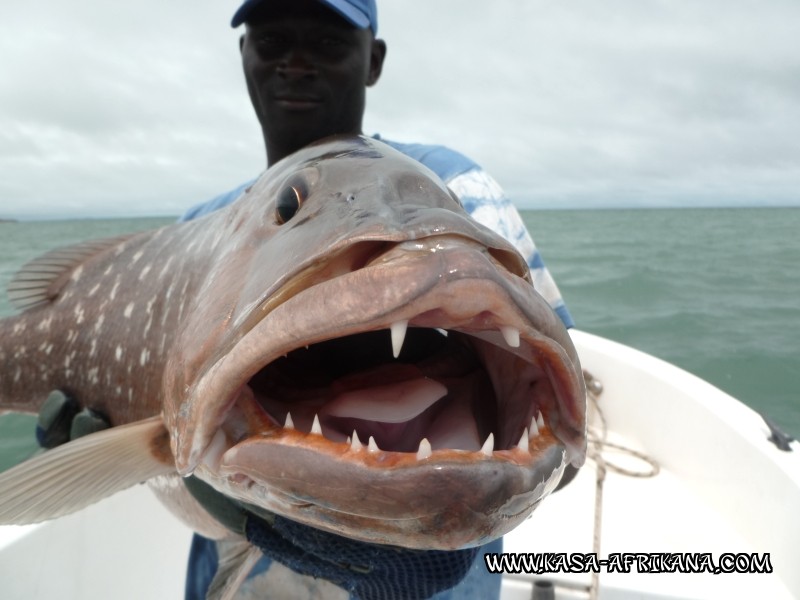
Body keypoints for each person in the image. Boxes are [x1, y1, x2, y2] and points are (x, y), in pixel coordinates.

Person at [39, 1, 575, 598]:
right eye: (272, 40)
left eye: (325, 42)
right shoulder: (199, 226)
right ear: (243, 54)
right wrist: (112, 462)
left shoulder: (459, 185)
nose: (296, 63)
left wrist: (413, 524)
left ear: (373, 59)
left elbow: (565, 433)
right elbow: (164, 448)